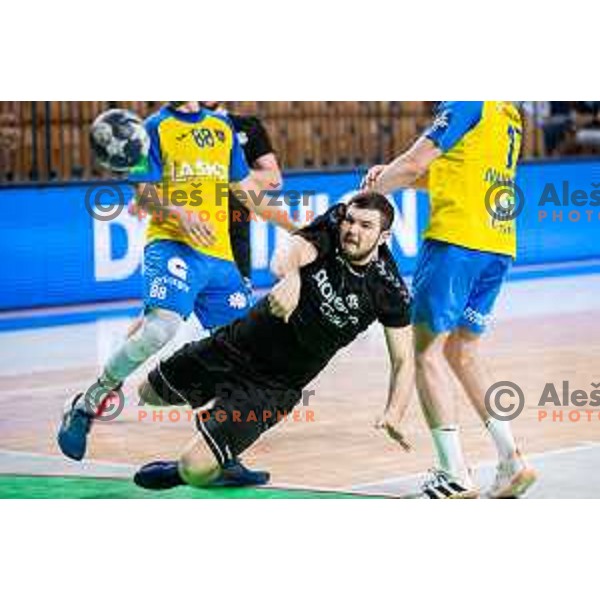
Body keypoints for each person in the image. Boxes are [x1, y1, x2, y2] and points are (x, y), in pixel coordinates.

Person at [58, 101, 295, 464]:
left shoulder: (222, 128)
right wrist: (180, 213)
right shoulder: (154, 127)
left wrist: (302, 230)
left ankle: (221, 455)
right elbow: (144, 193)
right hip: (171, 245)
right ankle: (87, 404)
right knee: (158, 330)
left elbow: (250, 193)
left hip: (219, 256)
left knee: (244, 356)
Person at [132, 191, 414, 490]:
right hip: (235, 345)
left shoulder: (389, 290)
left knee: (194, 469)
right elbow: (288, 253)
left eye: (365, 226)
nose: (352, 230)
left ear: (384, 237)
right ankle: (220, 428)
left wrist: (395, 412)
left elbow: (404, 359)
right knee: (148, 393)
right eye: (350, 221)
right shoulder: (332, 227)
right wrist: (291, 276)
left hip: (272, 387)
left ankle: (215, 464)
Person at [364, 101, 537, 499]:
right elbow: (447, 172)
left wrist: (373, 190)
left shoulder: (466, 100)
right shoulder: (506, 111)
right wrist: (394, 176)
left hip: (456, 241)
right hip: (497, 243)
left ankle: (452, 471)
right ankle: (513, 460)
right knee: (463, 352)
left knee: (424, 352)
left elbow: (415, 161)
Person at [201, 101, 282, 288]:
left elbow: (274, 179)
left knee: (237, 310)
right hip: (191, 235)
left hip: (235, 238)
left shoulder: (247, 126)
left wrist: (232, 172)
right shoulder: (172, 126)